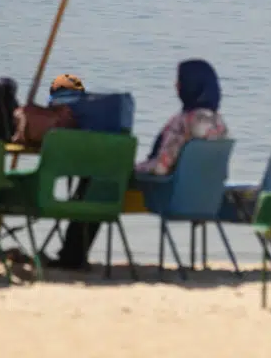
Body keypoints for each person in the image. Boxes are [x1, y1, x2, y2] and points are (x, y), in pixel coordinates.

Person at [51, 59, 228, 271]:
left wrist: (130, 168)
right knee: (101, 180)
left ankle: (71, 256)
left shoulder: (185, 121)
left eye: (179, 80)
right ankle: (71, 255)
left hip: (167, 193)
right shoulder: (218, 123)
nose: (175, 85)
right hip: (202, 197)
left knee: (96, 181)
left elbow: (161, 167)